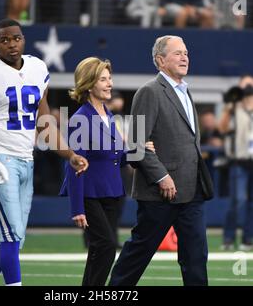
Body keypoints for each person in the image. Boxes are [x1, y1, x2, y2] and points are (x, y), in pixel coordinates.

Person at [0, 19, 88, 286]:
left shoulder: (37, 67)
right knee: (10, 234)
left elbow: (44, 122)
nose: (12, 44)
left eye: (17, 38)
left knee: (13, 237)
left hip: (25, 158)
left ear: (23, 39)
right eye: (5, 40)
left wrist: (69, 154)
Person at [109, 35, 214, 286]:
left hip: (192, 190)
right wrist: (162, 176)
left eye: (186, 52)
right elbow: (136, 145)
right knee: (139, 253)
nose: (184, 57)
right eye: (177, 53)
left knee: (196, 256)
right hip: (160, 193)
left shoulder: (185, 91)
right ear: (160, 60)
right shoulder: (149, 91)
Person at [59, 57, 154, 286]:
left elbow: (117, 158)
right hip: (90, 194)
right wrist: (77, 208)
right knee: (106, 246)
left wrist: (139, 150)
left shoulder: (108, 115)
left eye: (109, 78)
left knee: (98, 251)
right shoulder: (81, 118)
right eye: (103, 79)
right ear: (90, 84)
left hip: (111, 193)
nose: (109, 83)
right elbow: (73, 165)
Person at [219, 75, 253, 251]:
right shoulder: (234, 106)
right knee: (237, 200)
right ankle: (228, 238)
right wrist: (229, 107)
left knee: (251, 203)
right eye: (245, 84)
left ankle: (248, 239)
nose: (248, 88)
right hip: (238, 160)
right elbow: (222, 128)